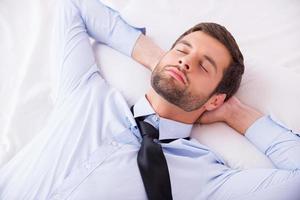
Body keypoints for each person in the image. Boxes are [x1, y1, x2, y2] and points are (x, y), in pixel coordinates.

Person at [0, 0, 300, 199]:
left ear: (215, 100)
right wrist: (155, 58)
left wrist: (237, 114)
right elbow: (74, 5)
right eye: (182, 50)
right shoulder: (87, 92)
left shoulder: (206, 180)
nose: (186, 63)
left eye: (203, 66)